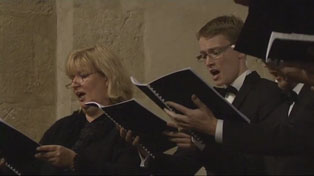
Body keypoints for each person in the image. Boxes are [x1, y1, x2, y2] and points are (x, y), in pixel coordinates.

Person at [121, 15, 282, 175]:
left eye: (215, 52)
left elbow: (260, 165)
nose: (208, 62)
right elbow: (181, 167)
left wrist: (203, 145)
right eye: (203, 56)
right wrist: (145, 152)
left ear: (240, 50)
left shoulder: (268, 94)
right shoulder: (207, 102)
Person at [34, 46, 144, 174]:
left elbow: (128, 171)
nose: (74, 84)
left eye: (83, 76)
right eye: (72, 78)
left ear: (107, 78)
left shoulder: (127, 128)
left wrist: (74, 162)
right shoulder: (62, 127)